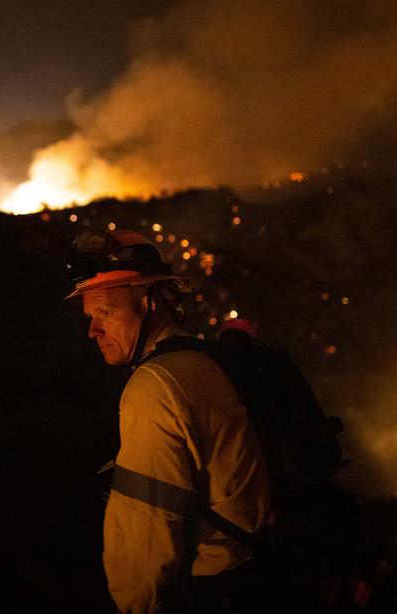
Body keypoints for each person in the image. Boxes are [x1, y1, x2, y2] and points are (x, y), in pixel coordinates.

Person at [64, 229, 272, 613]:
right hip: (261, 573)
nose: (92, 330)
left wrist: (133, 606)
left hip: (216, 591)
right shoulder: (206, 360)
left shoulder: (154, 386)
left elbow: (144, 534)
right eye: (91, 316)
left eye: (105, 312)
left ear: (149, 302)